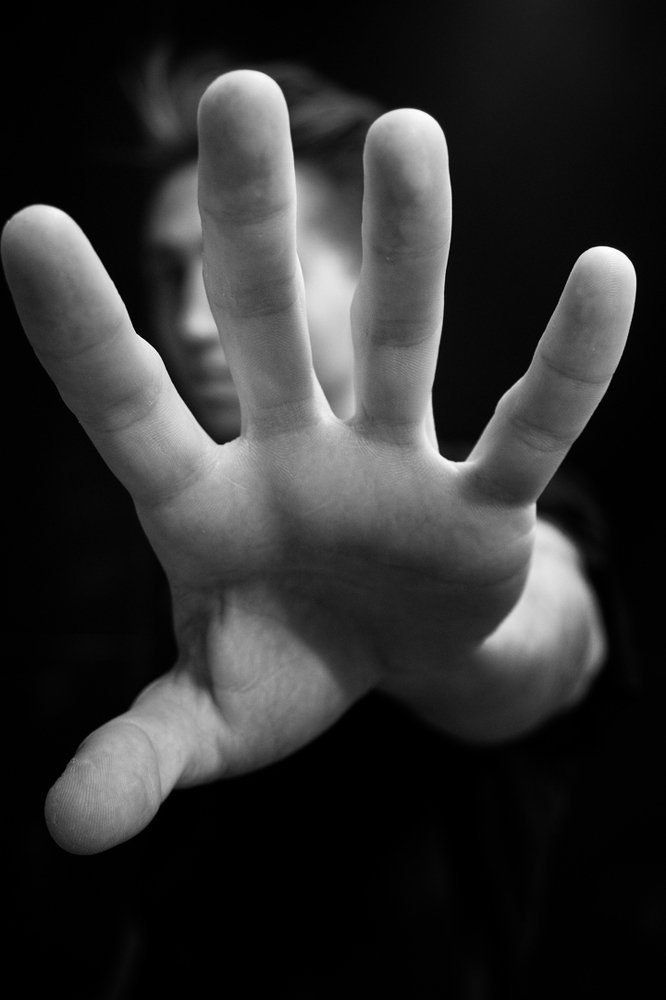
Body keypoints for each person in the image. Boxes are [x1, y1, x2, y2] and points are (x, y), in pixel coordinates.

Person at [2, 42, 639, 998]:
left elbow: (556, 644)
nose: (192, 322)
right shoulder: (164, 528)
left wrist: (456, 646)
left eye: (232, 272)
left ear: (362, 273)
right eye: (169, 275)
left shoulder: (486, 498)